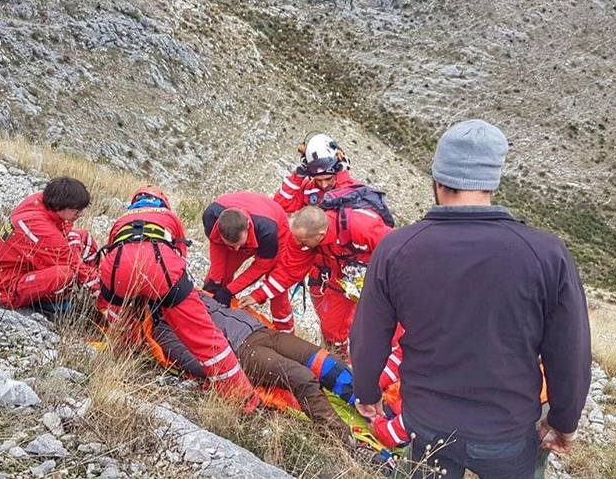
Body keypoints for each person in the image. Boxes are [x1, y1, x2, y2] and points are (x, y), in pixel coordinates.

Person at [350, 120, 591, 478]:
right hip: (507, 431)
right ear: (492, 181)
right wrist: (564, 421)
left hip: (427, 425)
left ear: (437, 179)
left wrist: (367, 393)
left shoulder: (396, 249)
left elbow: (368, 336)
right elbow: (570, 352)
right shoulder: (547, 253)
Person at [154, 292, 410, 448]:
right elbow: (194, 364)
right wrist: (228, 361)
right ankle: (345, 441)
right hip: (242, 353)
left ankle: (376, 410)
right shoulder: (164, 327)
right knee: (302, 379)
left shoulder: (196, 296)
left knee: (327, 363)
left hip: (263, 333)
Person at [96, 186, 259, 409]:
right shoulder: (169, 217)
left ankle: (127, 354)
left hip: (116, 270)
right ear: (162, 202)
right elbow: (180, 256)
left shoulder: (121, 220)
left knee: (119, 318)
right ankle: (242, 398)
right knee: (202, 334)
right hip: (161, 266)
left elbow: (113, 249)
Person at [238, 205, 392, 352]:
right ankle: (342, 359)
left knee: (386, 326)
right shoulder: (303, 239)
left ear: (320, 235)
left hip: (382, 279)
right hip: (343, 280)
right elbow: (288, 271)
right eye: (297, 239)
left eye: (303, 241)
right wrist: (258, 295)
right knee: (332, 327)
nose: (298, 244)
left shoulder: (361, 227)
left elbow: (398, 252)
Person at [0, 177, 99, 310]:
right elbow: (73, 264)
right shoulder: (41, 227)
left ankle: (89, 288)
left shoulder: (40, 201)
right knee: (65, 274)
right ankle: (44, 303)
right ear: (61, 206)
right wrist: (101, 290)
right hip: (9, 288)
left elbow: (65, 229)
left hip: (25, 266)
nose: (81, 214)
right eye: (77, 210)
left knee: (82, 237)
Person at [201, 192, 294, 332]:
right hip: (240, 221)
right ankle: (216, 317)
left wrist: (229, 290)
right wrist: (215, 281)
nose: (237, 249)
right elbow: (217, 248)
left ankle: (285, 331)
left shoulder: (268, 231)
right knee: (217, 279)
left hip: (275, 230)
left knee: (277, 287)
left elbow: (261, 267)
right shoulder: (211, 217)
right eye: (232, 246)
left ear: (248, 226)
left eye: (239, 244)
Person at [273, 133, 359, 214]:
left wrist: (342, 175)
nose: (324, 185)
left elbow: (350, 210)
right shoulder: (307, 189)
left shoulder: (358, 190)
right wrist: (297, 177)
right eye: (318, 180)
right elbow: (279, 207)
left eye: (328, 178)